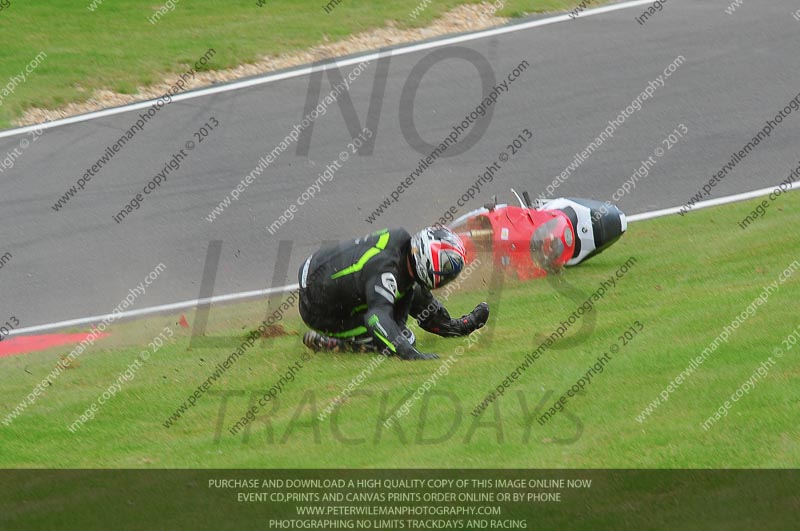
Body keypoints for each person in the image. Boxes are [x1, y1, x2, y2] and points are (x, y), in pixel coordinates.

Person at [298, 226, 489, 360]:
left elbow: (412, 292)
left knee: (412, 288)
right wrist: (409, 353)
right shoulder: (386, 273)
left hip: (315, 267)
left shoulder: (401, 241)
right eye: (447, 267)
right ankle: (340, 342)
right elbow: (375, 318)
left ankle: (454, 326)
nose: (448, 275)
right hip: (317, 310)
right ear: (427, 256)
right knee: (403, 338)